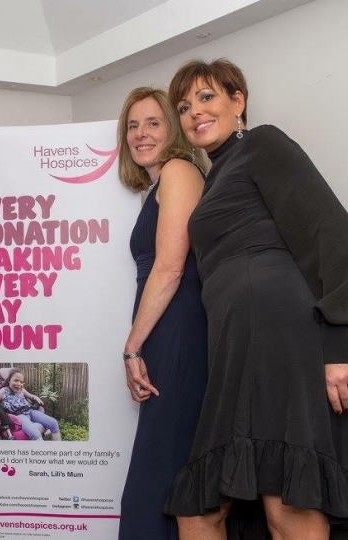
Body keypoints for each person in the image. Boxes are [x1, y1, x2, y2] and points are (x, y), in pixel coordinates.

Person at [165, 58, 348, 540]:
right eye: (183, 105)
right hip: (237, 348)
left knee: (287, 502)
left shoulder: (263, 143)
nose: (194, 111)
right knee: (200, 508)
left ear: (238, 103)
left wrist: (340, 346)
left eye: (206, 97)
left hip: (281, 336)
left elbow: (335, 234)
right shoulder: (216, 175)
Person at [115, 87, 209, 540]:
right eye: (132, 126)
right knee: (163, 471)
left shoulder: (179, 170)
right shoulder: (157, 184)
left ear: (173, 128)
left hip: (179, 331)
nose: (140, 134)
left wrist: (131, 348)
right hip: (163, 331)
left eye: (152, 123)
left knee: (157, 478)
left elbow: (170, 269)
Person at [0, 367, 61, 441]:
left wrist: (36, 397)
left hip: (30, 411)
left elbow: (31, 396)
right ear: (9, 380)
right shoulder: (3, 391)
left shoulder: (22, 390)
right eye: (16, 380)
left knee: (54, 423)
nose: (19, 384)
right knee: (35, 433)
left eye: (21, 382)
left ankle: (58, 450)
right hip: (19, 415)